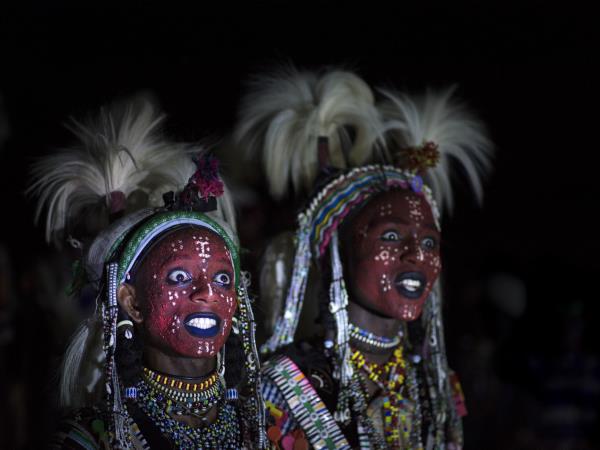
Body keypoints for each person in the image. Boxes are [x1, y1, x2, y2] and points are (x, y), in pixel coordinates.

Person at [234, 68, 493, 449]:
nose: (414, 255)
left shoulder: (433, 384)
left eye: (429, 243)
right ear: (338, 251)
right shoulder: (285, 388)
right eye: (390, 235)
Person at [29, 99, 266, 449]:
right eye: (180, 278)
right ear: (132, 301)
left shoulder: (264, 423)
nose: (208, 294)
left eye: (222, 279)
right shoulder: (94, 440)